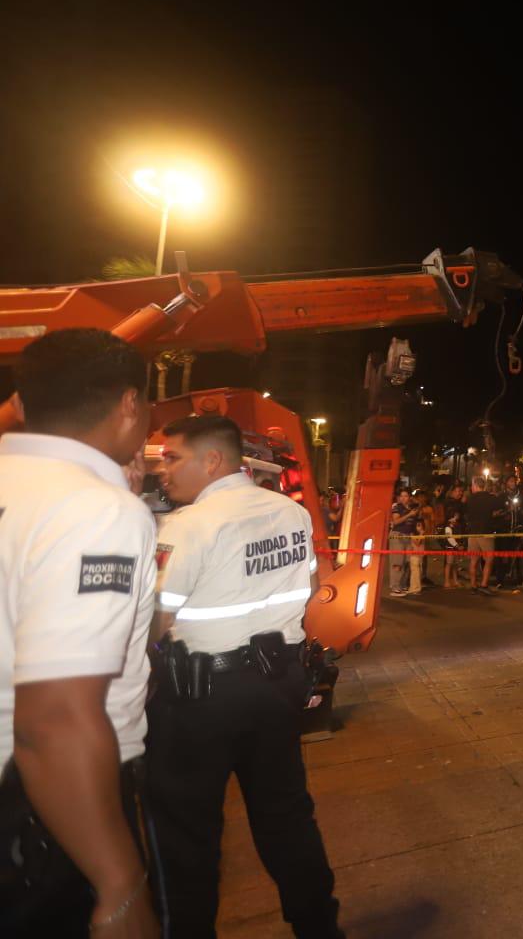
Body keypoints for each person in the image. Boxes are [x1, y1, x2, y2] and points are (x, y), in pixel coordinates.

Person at [146, 414, 341, 938]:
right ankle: (320, 928)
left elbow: (155, 621)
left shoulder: (188, 525)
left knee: (186, 835)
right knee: (287, 818)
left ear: (212, 460)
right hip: (276, 687)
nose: (164, 471)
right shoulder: (289, 513)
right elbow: (309, 587)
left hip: (199, 699)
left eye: (172, 458)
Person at [0, 329, 161, 938]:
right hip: (54, 809)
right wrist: (119, 884)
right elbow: (56, 720)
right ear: (128, 405)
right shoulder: (95, 510)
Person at [465, 476, 503, 594]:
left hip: (472, 533)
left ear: (476, 486)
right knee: (489, 559)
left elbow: (467, 514)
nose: (471, 488)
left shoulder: (470, 499)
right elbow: (500, 507)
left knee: (473, 560)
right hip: (486, 532)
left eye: (472, 485)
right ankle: (484, 584)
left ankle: (473, 585)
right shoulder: (490, 498)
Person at [387, 487, 423, 598]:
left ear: (410, 497)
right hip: (397, 536)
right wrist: (409, 515)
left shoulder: (413, 509)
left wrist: (418, 532)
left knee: (408, 562)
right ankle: (395, 586)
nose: (403, 498)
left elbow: (414, 525)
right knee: (397, 562)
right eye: (401, 496)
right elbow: (396, 521)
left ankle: (402, 585)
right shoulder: (397, 507)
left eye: (406, 496)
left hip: (408, 537)